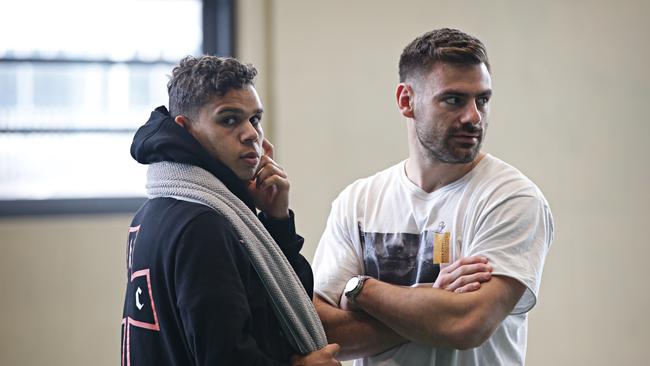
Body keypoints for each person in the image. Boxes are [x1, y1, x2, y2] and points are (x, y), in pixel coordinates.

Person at [312, 28, 554, 365]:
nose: (474, 117)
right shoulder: (358, 201)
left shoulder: (511, 199)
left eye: (482, 100)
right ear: (406, 101)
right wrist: (432, 306)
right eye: (454, 100)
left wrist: (361, 289)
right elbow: (321, 334)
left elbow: (467, 324)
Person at [121, 55, 340, 366]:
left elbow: (287, 302)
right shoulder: (202, 224)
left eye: (255, 119)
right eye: (229, 119)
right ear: (186, 129)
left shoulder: (152, 211)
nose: (251, 133)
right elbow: (224, 356)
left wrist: (276, 220)